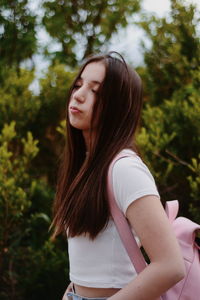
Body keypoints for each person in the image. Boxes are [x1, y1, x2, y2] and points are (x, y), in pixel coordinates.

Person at [51, 52, 185, 300]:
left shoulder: (125, 169)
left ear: (117, 107)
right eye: (79, 85)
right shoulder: (87, 166)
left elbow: (170, 265)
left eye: (96, 91)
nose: (78, 95)